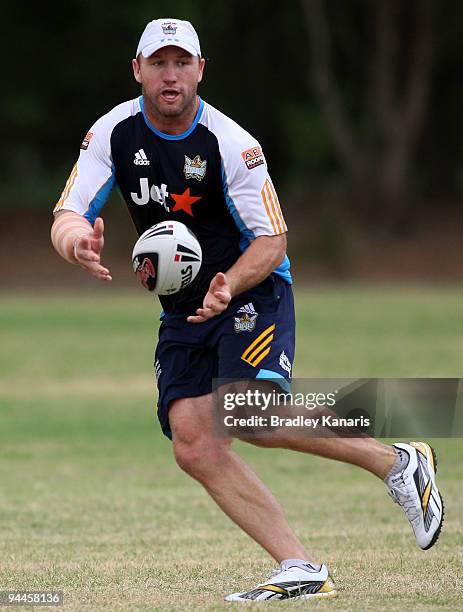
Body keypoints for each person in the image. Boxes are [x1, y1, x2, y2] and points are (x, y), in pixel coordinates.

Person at [51, 18, 444, 602]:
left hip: (251, 290)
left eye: (182, 63)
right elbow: (67, 213)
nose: (170, 75)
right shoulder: (113, 133)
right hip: (182, 306)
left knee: (248, 412)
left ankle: (395, 461)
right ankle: (300, 566)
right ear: (137, 71)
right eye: (158, 63)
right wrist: (76, 241)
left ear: (200, 71)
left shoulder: (231, 144)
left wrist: (227, 285)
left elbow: (273, 241)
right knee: (192, 440)